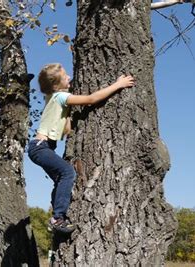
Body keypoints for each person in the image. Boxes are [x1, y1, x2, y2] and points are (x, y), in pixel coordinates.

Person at [28, 63, 135, 233]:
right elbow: (91, 99)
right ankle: (57, 218)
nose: (69, 77)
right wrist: (118, 85)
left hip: (39, 148)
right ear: (56, 85)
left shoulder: (51, 97)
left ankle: (56, 214)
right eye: (65, 77)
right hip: (41, 148)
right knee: (67, 172)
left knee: (60, 179)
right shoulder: (60, 96)